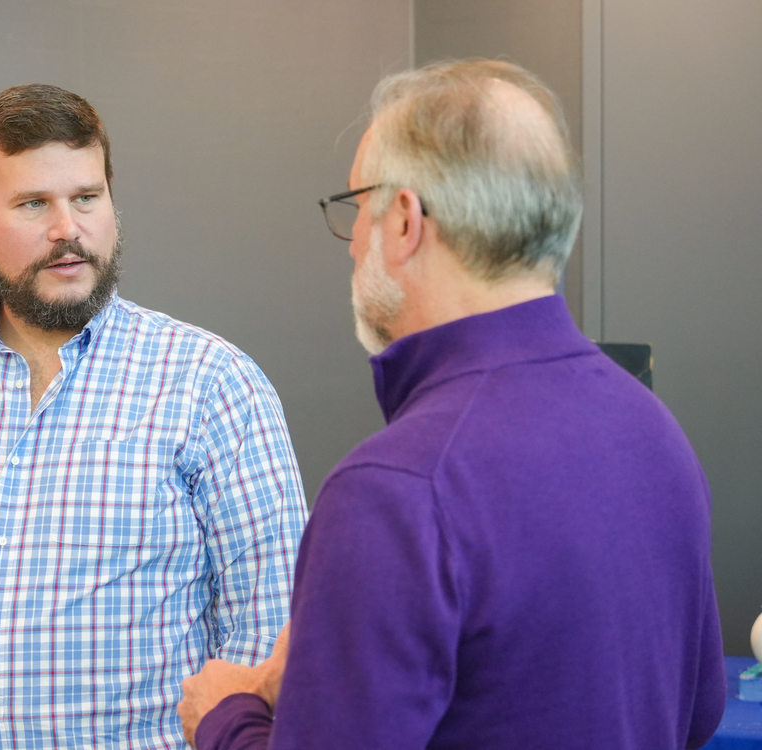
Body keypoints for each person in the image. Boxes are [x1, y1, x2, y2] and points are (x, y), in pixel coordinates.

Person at [178, 59, 726, 749]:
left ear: (404, 219)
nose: (351, 247)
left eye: (356, 209)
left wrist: (228, 713)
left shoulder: (396, 491)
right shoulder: (655, 432)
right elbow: (697, 710)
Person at [0, 83, 308, 749]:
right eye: (34, 203)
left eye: (87, 198)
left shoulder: (212, 386)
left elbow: (272, 638)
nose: (67, 228)